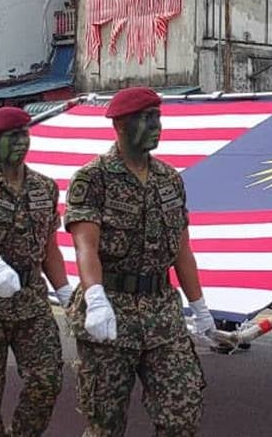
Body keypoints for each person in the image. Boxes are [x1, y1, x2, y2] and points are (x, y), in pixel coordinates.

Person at [65, 87, 215, 435]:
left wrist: (200, 308)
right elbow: (85, 245)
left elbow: (182, 248)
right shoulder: (93, 178)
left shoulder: (170, 179)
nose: (157, 126)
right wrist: (96, 298)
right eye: (146, 118)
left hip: (162, 312)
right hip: (111, 311)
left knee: (183, 412)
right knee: (105, 423)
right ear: (120, 125)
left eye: (158, 117)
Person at [0, 107, 73, 436]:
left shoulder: (45, 188)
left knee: (47, 379)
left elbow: (49, 249)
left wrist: (65, 294)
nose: (21, 142)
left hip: (32, 300)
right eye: (12, 136)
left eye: (24, 134)